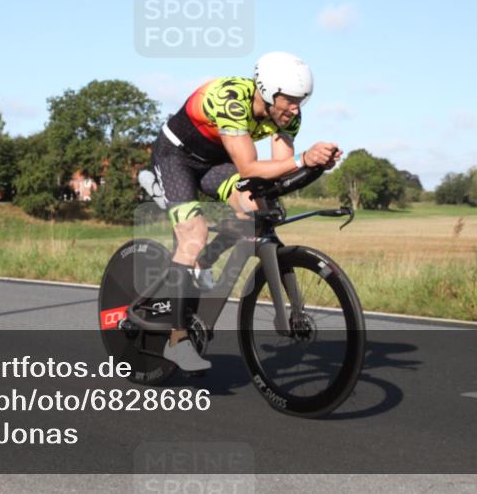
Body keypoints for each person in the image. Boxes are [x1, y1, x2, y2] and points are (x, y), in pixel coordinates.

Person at [140, 52, 343, 371]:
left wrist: (316, 166)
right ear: (268, 91)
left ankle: (204, 260)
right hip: (176, 157)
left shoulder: (287, 116)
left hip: (215, 162)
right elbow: (249, 167)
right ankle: (176, 342)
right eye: (290, 100)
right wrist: (303, 159)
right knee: (194, 234)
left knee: (256, 208)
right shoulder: (232, 99)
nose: (296, 108)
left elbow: (281, 172)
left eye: (301, 100)